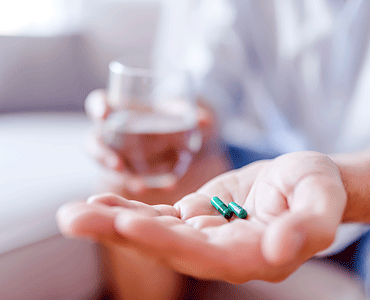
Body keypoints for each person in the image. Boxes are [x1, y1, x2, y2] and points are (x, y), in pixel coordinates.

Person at [58, 0, 370, 298]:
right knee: (143, 177)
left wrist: (351, 183)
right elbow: (207, 82)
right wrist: (169, 128)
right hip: (276, 155)